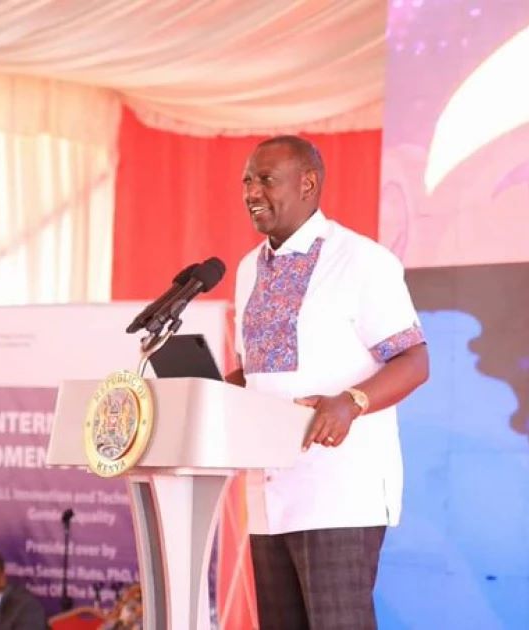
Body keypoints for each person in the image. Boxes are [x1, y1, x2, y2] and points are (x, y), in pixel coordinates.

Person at [225, 135, 429, 629]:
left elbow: (414, 360)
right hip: (270, 490)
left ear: (308, 183)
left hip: (338, 490)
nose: (252, 191)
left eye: (265, 180)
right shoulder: (249, 268)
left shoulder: (362, 260)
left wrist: (351, 401)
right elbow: (254, 370)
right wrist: (212, 395)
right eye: (248, 180)